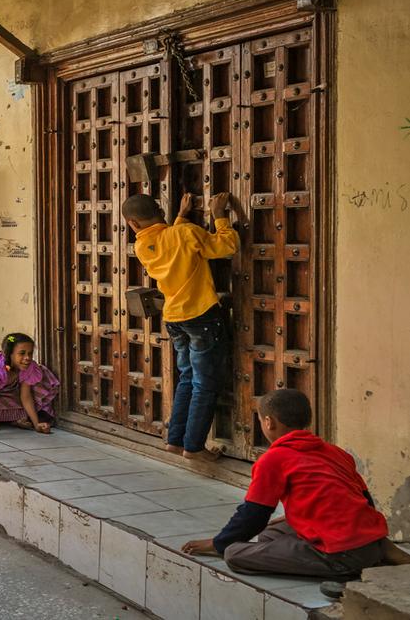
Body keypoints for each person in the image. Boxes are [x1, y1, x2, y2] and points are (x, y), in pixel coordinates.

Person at [181, 390, 404, 579]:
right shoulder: (334, 451)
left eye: (260, 421)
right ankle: (376, 550)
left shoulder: (274, 459)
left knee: (234, 553)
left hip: (341, 554)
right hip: (368, 538)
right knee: (271, 533)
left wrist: (218, 544)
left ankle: (348, 567)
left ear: (268, 422)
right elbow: (364, 500)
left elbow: (254, 514)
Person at [121, 192, 238, 462]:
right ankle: (193, 446)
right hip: (201, 316)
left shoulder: (142, 246)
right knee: (204, 383)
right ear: (159, 211)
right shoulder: (185, 233)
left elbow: (168, 240)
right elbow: (227, 246)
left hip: (174, 319)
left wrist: (182, 216)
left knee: (187, 378)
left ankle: (175, 440)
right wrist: (219, 215)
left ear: (133, 225)